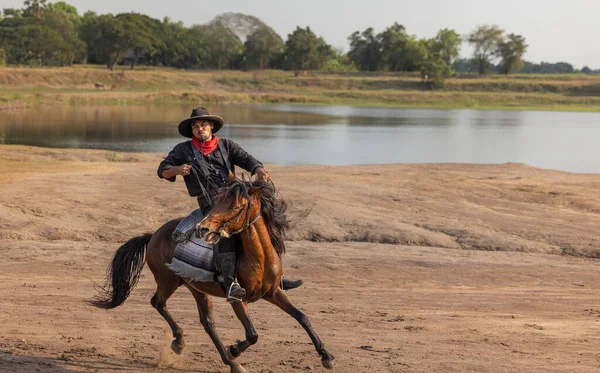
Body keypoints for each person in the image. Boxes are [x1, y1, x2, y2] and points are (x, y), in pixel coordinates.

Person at [157, 107, 270, 302]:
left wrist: (258, 169)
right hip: (210, 203)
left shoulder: (226, 145)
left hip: (233, 197)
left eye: (203, 125)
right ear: (192, 130)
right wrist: (177, 169)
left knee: (266, 219)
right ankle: (230, 283)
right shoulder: (183, 150)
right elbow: (162, 170)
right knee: (225, 232)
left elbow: (247, 159)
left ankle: (274, 276)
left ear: (211, 127)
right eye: (196, 126)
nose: (200, 129)